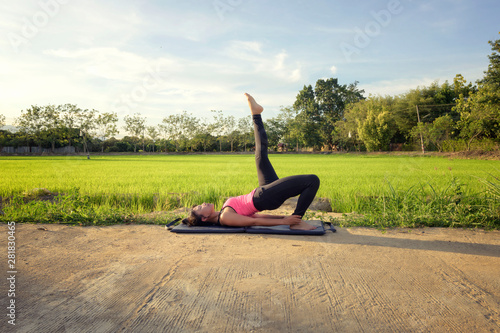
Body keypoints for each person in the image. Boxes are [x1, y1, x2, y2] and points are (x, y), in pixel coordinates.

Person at [182, 93, 320, 230]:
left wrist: (284, 219)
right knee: (312, 180)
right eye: (200, 207)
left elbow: (257, 218)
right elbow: (254, 222)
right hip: (264, 197)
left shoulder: (223, 211)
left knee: (260, 154)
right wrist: (287, 221)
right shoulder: (225, 217)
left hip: (262, 193)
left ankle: (256, 114)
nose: (203, 203)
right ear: (204, 218)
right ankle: (297, 222)